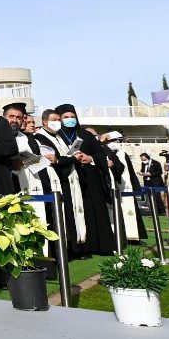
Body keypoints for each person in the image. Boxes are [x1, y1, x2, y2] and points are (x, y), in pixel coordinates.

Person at [54, 104, 116, 254]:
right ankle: (77, 248)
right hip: (68, 178)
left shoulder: (85, 134)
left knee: (94, 210)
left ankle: (99, 245)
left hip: (89, 178)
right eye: (66, 117)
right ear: (59, 119)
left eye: (72, 117)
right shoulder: (57, 135)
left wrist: (90, 158)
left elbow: (100, 153)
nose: (70, 119)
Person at [2, 103, 62, 251]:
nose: (15, 120)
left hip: (33, 185)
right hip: (10, 187)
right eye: (11, 116)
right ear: (3, 118)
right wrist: (11, 166)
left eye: (19, 117)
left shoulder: (30, 140)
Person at [33, 109, 86, 256]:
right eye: (53, 120)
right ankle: (63, 250)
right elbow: (52, 159)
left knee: (71, 213)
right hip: (57, 180)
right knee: (61, 215)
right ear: (45, 122)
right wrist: (71, 159)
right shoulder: (40, 137)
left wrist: (72, 156)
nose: (57, 122)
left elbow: (61, 157)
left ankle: (74, 246)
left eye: (58, 120)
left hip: (69, 179)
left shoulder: (58, 136)